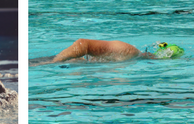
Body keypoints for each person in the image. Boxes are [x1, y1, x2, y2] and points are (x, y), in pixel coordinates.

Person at [32, 39, 185, 66]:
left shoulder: (132, 60)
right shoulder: (128, 51)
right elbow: (83, 44)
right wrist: (53, 63)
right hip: (49, 64)